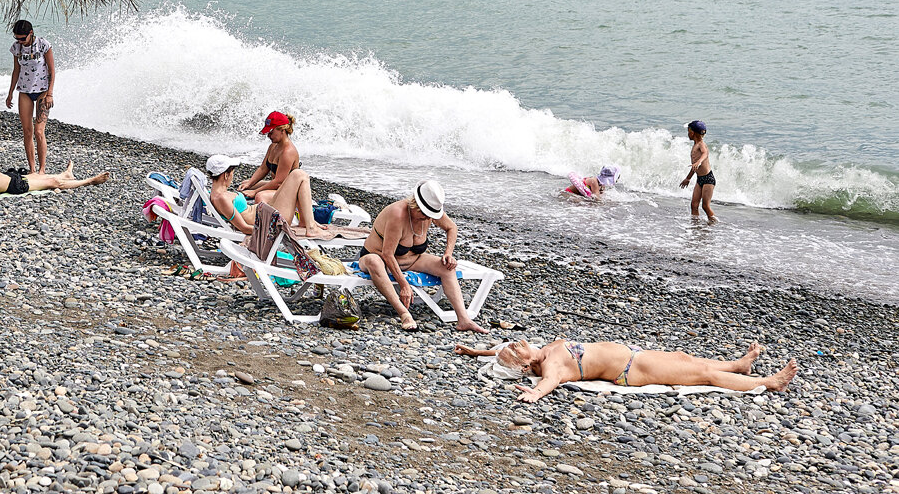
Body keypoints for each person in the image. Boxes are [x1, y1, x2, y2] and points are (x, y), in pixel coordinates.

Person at [456, 339, 796, 403]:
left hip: (635, 356)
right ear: (525, 364)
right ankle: (766, 382)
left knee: (685, 360)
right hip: (633, 370)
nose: (516, 342)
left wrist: (479, 352)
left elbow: (502, 351)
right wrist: (534, 393)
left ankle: (738, 365)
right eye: (515, 349)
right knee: (703, 376)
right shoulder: (550, 363)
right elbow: (550, 383)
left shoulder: (542, 349)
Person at [358, 180, 484, 333]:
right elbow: (387, 254)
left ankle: (463, 319)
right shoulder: (398, 213)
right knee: (374, 261)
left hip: (412, 259)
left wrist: (448, 254)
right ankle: (404, 314)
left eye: (430, 215)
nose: (427, 218)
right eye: (424, 214)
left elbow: (452, 227)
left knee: (447, 267)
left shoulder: (430, 211)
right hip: (379, 258)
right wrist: (404, 284)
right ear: (415, 205)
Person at [206, 155, 339, 240]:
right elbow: (244, 227)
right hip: (269, 220)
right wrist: (274, 231)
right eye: (232, 173)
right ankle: (311, 228)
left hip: (265, 212)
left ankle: (307, 223)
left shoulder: (217, 194)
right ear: (225, 175)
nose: (233, 176)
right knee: (299, 175)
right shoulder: (221, 198)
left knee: (296, 181)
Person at [4, 19, 55, 174]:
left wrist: (50, 94)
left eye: (22, 38)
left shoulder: (43, 45)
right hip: (25, 91)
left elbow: (52, 71)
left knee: (39, 131)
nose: (20, 41)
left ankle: (42, 169)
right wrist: (10, 92)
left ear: (31, 33)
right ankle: (32, 169)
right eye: (17, 38)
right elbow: (16, 70)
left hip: (43, 91)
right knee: (27, 131)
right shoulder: (16, 48)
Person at [0, 161, 109, 198]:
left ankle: (66, 174)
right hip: (14, 186)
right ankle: (90, 181)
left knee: (37, 176)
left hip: (9, 177)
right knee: (53, 184)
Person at [239, 111, 300, 206]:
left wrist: (255, 192)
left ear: (282, 130)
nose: (268, 136)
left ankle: (259, 219)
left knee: (260, 196)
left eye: (271, 132)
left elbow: (279, 182)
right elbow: (263, 169)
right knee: (245, 183)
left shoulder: (288, 152)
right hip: (278, 187)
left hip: (288, 191)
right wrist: (250, 184)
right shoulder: (273, 146)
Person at [680, 120, 717, 222]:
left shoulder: (701, 144)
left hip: (708, 179)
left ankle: (715, 223)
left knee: (705, 206)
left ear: (692, 132)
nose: (688, 134)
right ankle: (695, 224)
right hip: (700, 179)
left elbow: (705, 154)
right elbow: (694, 167)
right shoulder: (695, 145)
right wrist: (688, 178)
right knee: (694, 205)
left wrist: (699, 162)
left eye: (688, 131)